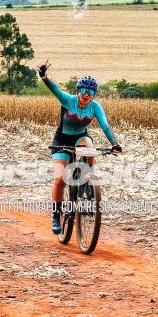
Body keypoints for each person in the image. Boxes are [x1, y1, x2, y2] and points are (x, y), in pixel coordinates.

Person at [37, 59, 122, 234]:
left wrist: (115, 144)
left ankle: (87, 185)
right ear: (78, 91)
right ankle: (56, 215)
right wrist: (44, 76)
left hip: (80, 138)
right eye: (83, 90)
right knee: (60, 179)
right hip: (62, 139)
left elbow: (105, 126)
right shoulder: (69, 101)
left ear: (93, 94)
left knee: (90, 146)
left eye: (90, 92)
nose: (86, 94)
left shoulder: (95, 106)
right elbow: (55, 90)